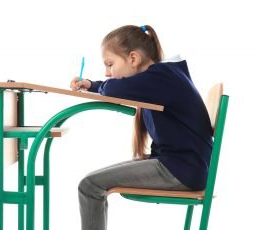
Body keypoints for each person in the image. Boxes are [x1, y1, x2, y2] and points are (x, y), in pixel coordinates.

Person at [70, 25, 213, 230]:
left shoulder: (162, 77)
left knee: (89, 185)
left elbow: (114, 88)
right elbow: (116, 87)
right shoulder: (164, 76)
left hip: (180, 169)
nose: (107, 72)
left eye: (110, 64)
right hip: (185, 166)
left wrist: (99, 86)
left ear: (134, 58)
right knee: (90, 182)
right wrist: (91, 84)